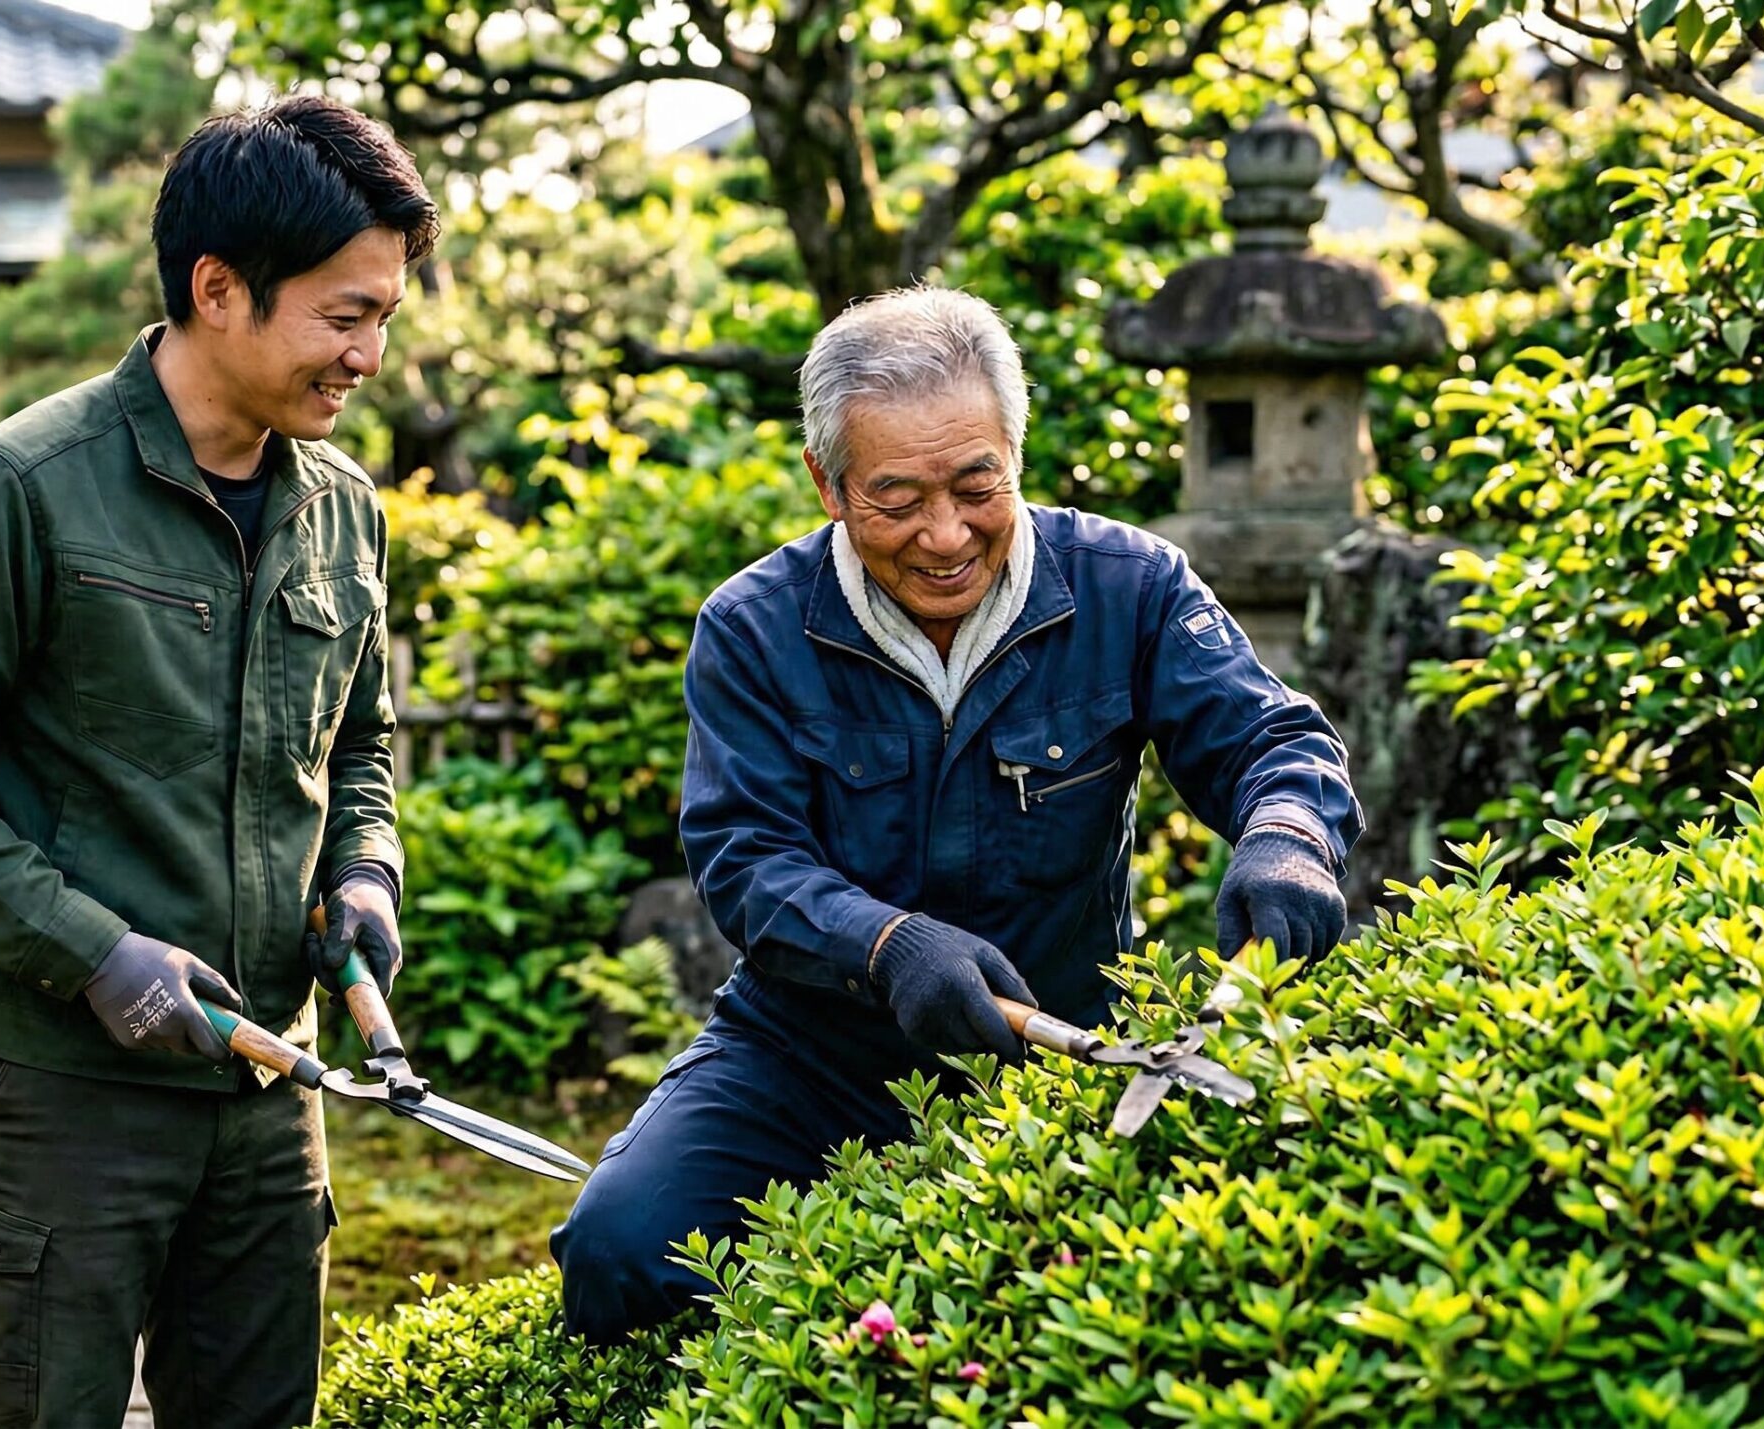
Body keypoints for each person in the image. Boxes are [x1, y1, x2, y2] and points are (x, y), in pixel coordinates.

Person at [551, 286, 1363, 1343]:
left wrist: (1288, 840)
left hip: (1062, 1049)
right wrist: (884, 945)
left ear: (1016, 457)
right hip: (807, 1056)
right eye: (897, 500)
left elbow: (1271, 741)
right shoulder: (754, 628)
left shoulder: (1131, 586)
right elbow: (745, 857)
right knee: (619, 1252)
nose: (945, 536)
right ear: (827, 485)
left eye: (979, 486)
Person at [0, 95, 438, 1427]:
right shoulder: (17, 489)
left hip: (268, 1090)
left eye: (384, 316)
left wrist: (366, 875)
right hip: (57, 1105)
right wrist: (95, 952)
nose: (371, 355)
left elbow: (363, 745)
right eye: (345, 316)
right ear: (219, 288)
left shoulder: (344, 511)